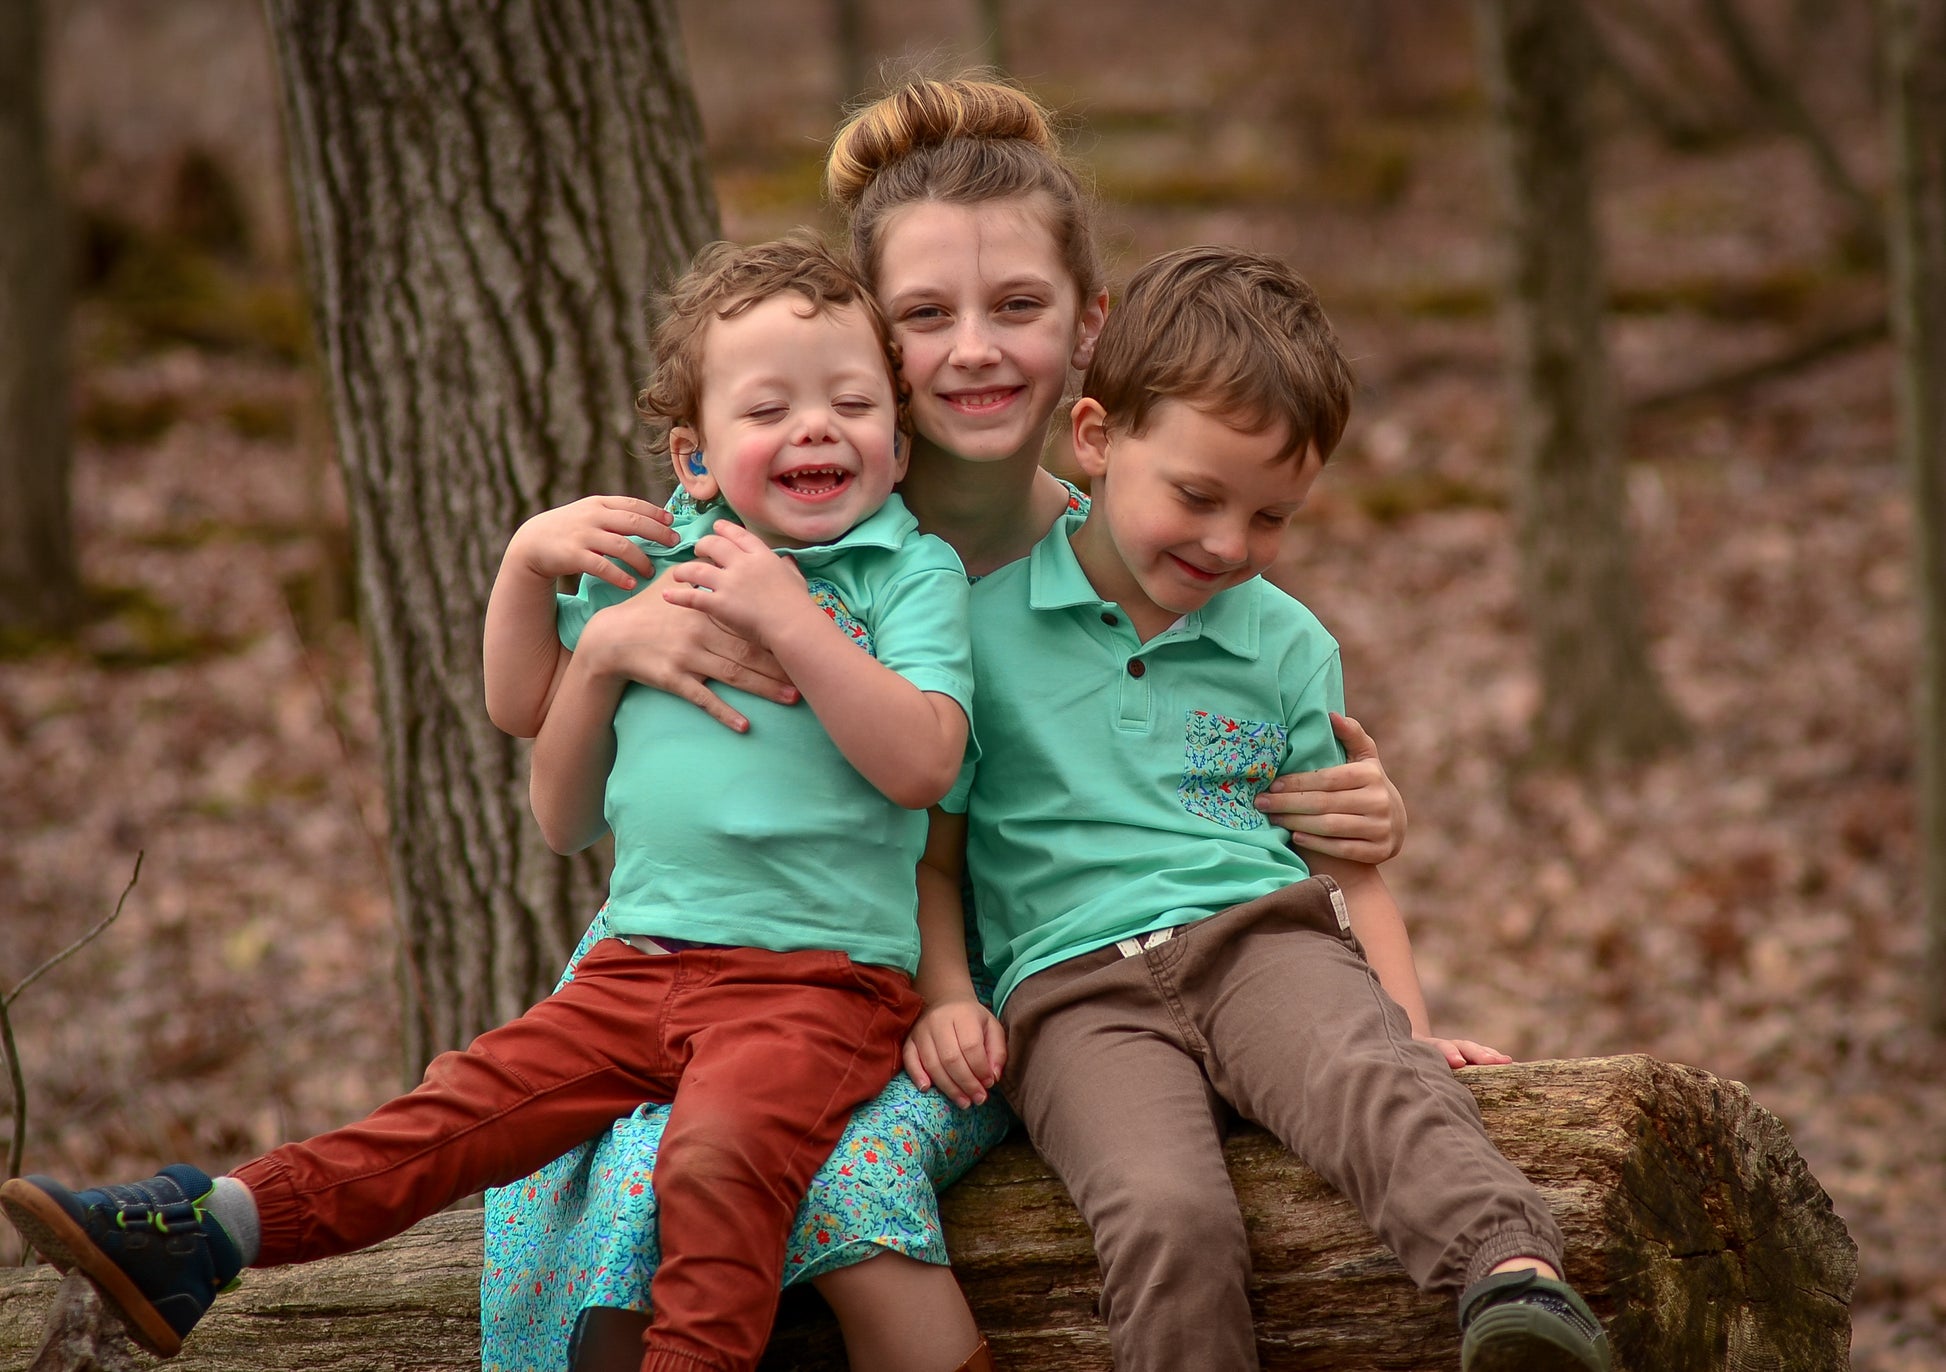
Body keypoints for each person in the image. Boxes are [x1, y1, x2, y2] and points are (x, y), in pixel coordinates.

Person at [479, 75, 1409, 1372]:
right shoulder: (775, 535)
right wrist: (607, 642)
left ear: (1088, 331)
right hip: (764, 946)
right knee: (605, 1170)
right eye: (925, 317)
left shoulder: (1149, 552)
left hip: (1028, 988)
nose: (972, 349)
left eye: (1016, 307)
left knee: (834, 1172)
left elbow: (1219, 780)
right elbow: (608, 767)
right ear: (874, 341)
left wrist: (1354, 836)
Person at [1, 235, 975, 1372]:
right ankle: (209, 1226)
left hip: (813, 980)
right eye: (769, 407)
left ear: (897, 446)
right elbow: (521, 704)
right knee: (453, 1108)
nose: (815, 427)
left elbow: (923, 763)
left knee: (714, 1166)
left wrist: (789, 615)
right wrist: (523, 564)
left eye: (850, 402)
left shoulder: (909, 572)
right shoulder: (662, 555)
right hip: (636, 964)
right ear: (694, 456)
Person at [923, 243, 1612, 1372]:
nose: (1228, 545)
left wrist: (1406, 1022)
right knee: (1163, 1213)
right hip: (1068, 997)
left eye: (1272, 517)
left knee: (1366, 1081)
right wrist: (946, 994)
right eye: (1196, 496)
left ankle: (1513, 1286)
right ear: (1095, 439)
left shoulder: (1284, 643)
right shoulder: (975, 632)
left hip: (1259, 944)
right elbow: (936, 858)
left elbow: (1342, 861)